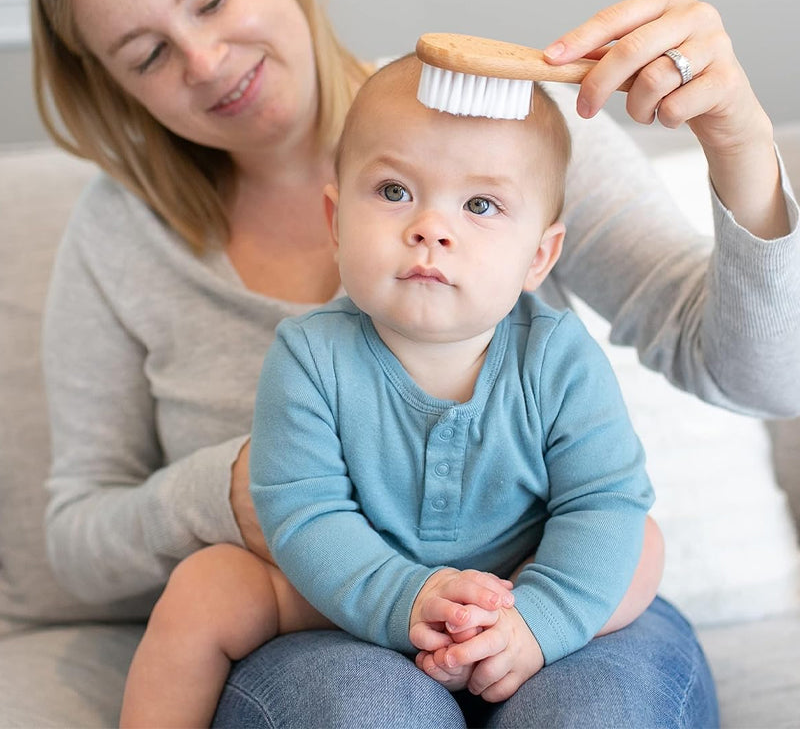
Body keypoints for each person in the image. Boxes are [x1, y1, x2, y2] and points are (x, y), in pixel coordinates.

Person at [31, 0, 798, 729]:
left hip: (559, 601)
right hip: (325, 624)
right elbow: (75, 542)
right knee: (363, 709)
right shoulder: (146, 250)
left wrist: (739, 139)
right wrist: (232, 492)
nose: (203, 60)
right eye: (146, 55)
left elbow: (759, 390)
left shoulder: (509, 123)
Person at [118, 58, 664, 727]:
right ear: (335, 220)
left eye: (480, 205)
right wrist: (408, 596)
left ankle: (519, 640)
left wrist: (536, 622)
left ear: (539, 258)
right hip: (350, 585)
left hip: (521, 577)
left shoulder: (558, 358)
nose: (431, 228)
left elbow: (600, 500)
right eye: (394, 191)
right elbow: (306, 516)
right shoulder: (311, 355)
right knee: (204, 589)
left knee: (637, 540)